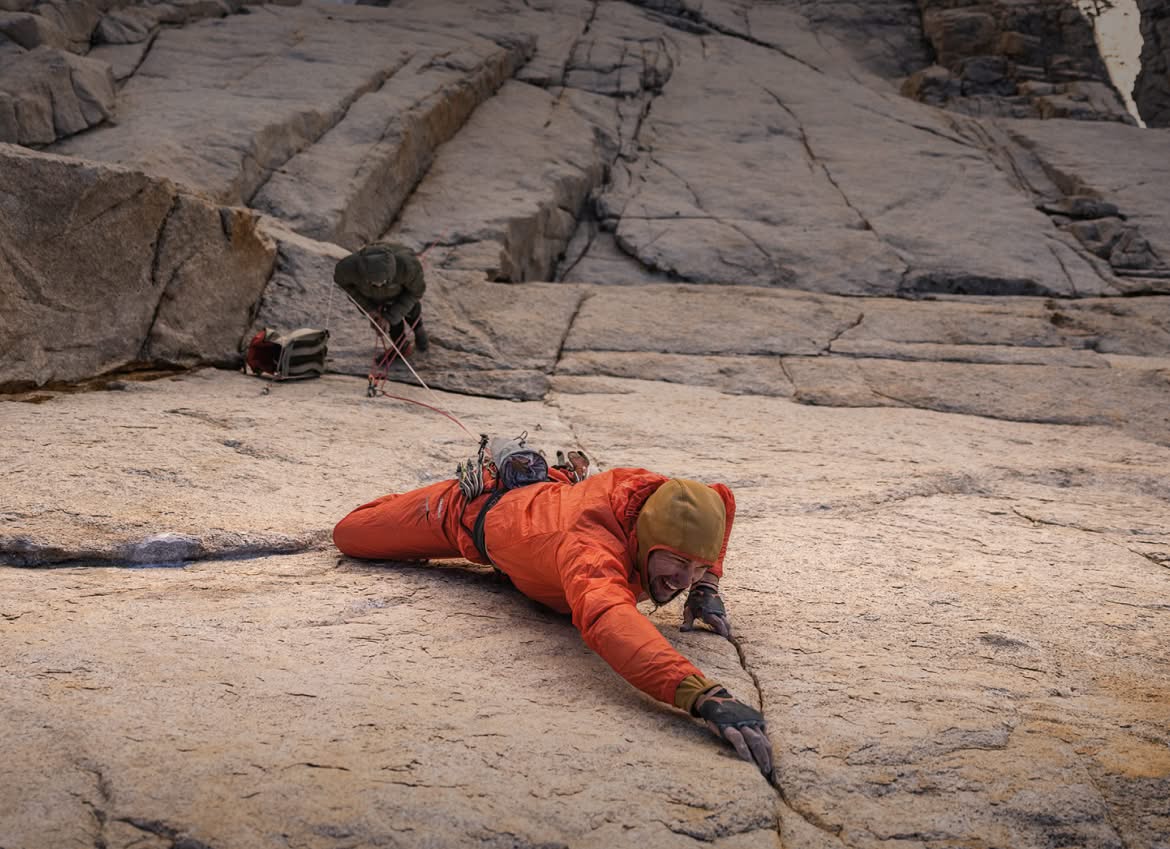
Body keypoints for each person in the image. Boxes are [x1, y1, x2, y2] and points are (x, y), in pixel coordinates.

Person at [332, 464, 774, 776]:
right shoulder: (589, 551)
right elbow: (607, 619)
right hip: (468, 513)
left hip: (549, 508)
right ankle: (511, 478)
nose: (681, 580)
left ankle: (551, 478)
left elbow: (722, 500)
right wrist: (703, 695)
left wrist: (707, 585)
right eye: (677, 563)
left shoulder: (651, 493)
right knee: (351, 533)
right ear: (644, 536)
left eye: (694, 567)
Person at [333, 242, 429, 353]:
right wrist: (370, 309)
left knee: (411, 310)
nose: (378, 285)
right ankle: (401, 346)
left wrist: (389, 318)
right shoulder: (347, 270)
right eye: (372, 282)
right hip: (374, 298)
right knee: (393, 323)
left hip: (401, 293)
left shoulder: (407, 266)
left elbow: (415, 292)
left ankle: (419, 330)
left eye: (383, 282)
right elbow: (347, 287)